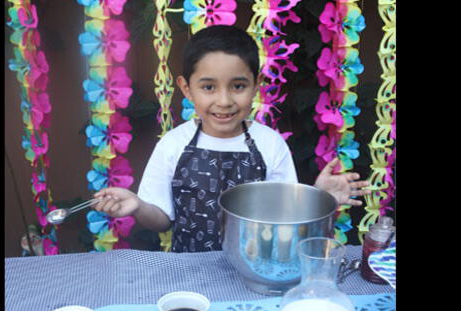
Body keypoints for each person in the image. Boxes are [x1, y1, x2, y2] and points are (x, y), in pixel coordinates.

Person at [93, 25, 370, 252]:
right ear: (186, 89)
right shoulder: (173, 145)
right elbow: (162, 221)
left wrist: (317, 199)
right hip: (188, 274)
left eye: (238, 86)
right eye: (208, 87)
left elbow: (286, 219)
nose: (223, 101)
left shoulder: (270, 144)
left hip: (254, 270)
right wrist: (138, 206)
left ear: (256, 86)